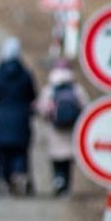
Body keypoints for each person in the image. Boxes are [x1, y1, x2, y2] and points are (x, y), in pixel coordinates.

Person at [0, 37, 37, 195]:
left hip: (2, 120)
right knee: (20, 152)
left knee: (3, 153)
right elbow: (33, 94)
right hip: (21, 120)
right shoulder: (25, 72)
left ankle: (6, 178)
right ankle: (19, 175)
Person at [35, 65, 89, 196]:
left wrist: (47, 118)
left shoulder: (49, 90)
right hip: (71, 130)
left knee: (56, 159)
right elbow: (86, 107)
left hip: (55, 130)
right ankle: (66, 185)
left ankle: (58, 179)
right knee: (68, 161)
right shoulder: (76, 89)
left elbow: (42, 109)